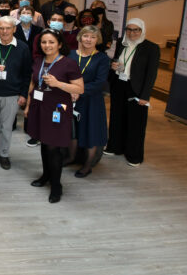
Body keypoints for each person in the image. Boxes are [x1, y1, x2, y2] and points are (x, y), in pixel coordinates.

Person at [24, 29, 84, 203]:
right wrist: (28, 106)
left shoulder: (69, 64)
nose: (47, 45)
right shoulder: (38, 60)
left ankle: (56, 185)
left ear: (59, 44)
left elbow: (80, 88)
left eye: (51, 42)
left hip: (57, 109)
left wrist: (58, 84)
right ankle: (46, 176)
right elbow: (33, 83)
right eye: (44, 42)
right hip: (38, 107)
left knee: (53, 147)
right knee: (44, 143)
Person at [105, 18, 159, 166]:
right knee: (117, 117)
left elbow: (151, 74)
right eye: (129, 29)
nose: (132, 32)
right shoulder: (122, 42)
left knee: (136, 123)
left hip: (136, 89)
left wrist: (145, 96)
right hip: (119, 85)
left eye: (136, 30)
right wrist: (113, 66)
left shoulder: (151, 48)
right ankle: (115, 147)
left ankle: (134, 155)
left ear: (142, 30)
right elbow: (116, 60)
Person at [0, 16, 31, 170]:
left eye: (8, 28)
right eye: (1, 28)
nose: (4, 31)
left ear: (14, 29)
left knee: (7, 127)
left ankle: (4, 154)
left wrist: (23, 94)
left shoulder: (23, 48)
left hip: (12, 94)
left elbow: (26, 74)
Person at [68, 26, 109, 177]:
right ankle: (71, 157)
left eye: (93, 37)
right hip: (71, 98)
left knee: (90, 131)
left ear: (97, 40)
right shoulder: (71, 54)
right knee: (73, 131)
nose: (88, 40)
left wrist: (78, 91)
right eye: (86, 36)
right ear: (80, 37)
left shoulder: (102, 58)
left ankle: (88, 165)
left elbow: (100, 82)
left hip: (91, 101)